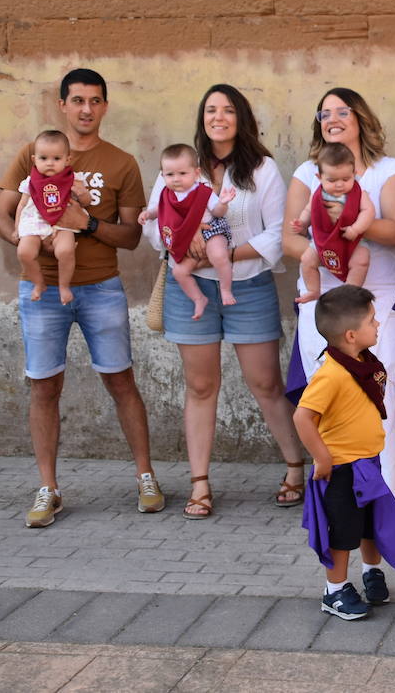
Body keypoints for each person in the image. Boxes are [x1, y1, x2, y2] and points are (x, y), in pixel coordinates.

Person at [0, 67, 162, 528]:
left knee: (121, 382)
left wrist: (84, 223)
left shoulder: (122, 162)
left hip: (101, 287)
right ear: (62, 105)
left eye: (95, 100)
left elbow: (130, 237)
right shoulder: (35, 152)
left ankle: (145, 476)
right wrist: (30, 239)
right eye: (78, 100)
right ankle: (48, 488)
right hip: (40, 289)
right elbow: (1, 217)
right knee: (44, 386)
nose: (86, 109)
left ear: (105, 106)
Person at [142, 84, 304, 519]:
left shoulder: (263, 168)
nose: (219, 117)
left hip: (247, 285)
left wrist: (226, 254)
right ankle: (199, 484)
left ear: (241, 118)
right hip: (189, 288)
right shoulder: (180, 164)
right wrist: (186, 244)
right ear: (202, 117)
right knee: (200, 387)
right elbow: (154, 227)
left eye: (228, 110)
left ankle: (295, 466)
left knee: (266, 384)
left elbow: (276, 232)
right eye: (211, 109)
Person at [284, 86, 395, 545]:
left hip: (373, 300)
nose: (333, 118)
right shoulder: (308, 171)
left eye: (343, 111)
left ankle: (391, 505)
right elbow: (290, 238)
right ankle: (338, 507)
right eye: (325, 113)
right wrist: (323, 253)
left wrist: (350, 222)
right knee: (328, 407)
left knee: (380, 403)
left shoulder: (389, 171)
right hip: (323, 299)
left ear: (361, 118)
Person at [296, 286, 395, 621]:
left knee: (371, 524)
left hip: (368, 462)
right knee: (342, 531)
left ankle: (371, 571)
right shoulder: (331, 374)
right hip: (341, 468)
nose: (377, 324)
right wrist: (322, 458)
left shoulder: (363, 363)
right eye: (371, 320)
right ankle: (334, 591)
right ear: (352, 335)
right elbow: (302, 416)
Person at [139, 144, 237, 321]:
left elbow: (217, 212)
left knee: (218, 255)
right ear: (163, 175)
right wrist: (147, 214)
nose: (176, 179)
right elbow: (158, 211)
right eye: (170, 174)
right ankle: (199, 298)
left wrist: (224, 202)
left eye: (182, 173)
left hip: (211, 231)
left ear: (196, 172)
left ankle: (225, 289)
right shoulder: (166, 195)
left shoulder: (203, 192)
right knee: (179, 272)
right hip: (186, 238)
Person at [293, 142, 376, 304]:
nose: (339, 184)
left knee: (362, 260)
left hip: (352, 239)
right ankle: (313, 290)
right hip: (323, 240)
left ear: (354, 173)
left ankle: (350, 293)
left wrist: (356, 228)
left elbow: (368, 211)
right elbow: (309, 211)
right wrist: (302, 223)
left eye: (346, 179)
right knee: (307, 260)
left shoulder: (359, 192)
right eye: (331, 180)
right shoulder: (317, 195)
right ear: (319, 177)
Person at [14, 129, 81, 305]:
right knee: (24, 252)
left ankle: (63, 286)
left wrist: (83, 195)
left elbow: (85, 202)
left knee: (65, 251)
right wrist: (17, 229)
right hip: (34, 223)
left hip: (62, 222)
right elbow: (21, 204)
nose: (50, 163)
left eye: (56, 159)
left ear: (68, 160)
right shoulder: (30, 181)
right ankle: (39, 283)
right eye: (44, 158)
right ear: (34, 159)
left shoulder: (72, 180)